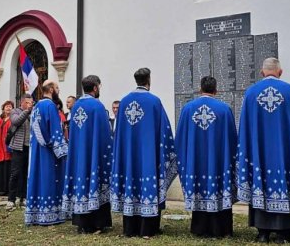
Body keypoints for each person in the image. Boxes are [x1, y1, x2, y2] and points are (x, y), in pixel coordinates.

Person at [236, 58, 290, 244]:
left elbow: (245, 129)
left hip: (260, 155)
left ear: (261, 72)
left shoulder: (251, 93)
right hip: (286, 154)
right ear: (280, 72)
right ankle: (284, 232)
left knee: (261, 183)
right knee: (286, 183)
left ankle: (262, 232)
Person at [111, 68, 178, 238]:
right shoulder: (154, 101)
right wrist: (167, 150)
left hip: (129, 155)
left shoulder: (124, 101)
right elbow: (164, 130)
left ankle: (129, 229)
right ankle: (148, 229)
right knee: (148, 185)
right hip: (149, 155)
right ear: (148, 79)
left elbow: (119, 132)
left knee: (131, 185)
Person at [175, 76, 237, 237]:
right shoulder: (224, 109)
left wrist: (185, 159)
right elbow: (232, 139)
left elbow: (180, 139)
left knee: (199, 187)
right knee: (219, 188)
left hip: (196, 162)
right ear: (216, 90)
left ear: (200, 89)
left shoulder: (188, 109)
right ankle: (221, 230)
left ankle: (200, 229)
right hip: (219, 162)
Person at [62, 75, 113, 233]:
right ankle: (96, 223)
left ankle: (82, 223)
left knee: (80, 184)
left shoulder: (76, 106)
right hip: (93, 154)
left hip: (78, 154)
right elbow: (105, 134)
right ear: (95, 88)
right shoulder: (97, 106)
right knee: (94, 184)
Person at [25, 80, 69, 225]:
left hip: (37, 149)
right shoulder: (50, 106)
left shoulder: (37, 106)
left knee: (38, 178)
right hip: (49, 151)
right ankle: (52, 213)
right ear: (50, 89)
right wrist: (63, 151)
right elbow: (55, 131)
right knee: (50, 178)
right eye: (57, 88)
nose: (58, 91)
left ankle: (36, 213)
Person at [6, 94, 33, 211]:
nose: (30, 105)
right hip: (18, 147)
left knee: (26, 174)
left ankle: (24, 197)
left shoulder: (32, 113)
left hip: (29, 147)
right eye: (27, 102)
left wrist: (30, 112)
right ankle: (11, 199)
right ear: (22, 102)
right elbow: (16, 121)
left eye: (31, 103)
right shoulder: (15, 111)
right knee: (15, 174)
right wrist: (27, 111)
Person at [0, 101, 13, 196]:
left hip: (8, 147)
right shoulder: (1, 120)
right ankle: (1, 189)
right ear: (3, 108)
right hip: (0, 147)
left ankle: (7, 189)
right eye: (6, 106)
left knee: (8, 169)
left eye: (10, 107)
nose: (8, 108)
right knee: (1, 169)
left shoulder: (13, 119)